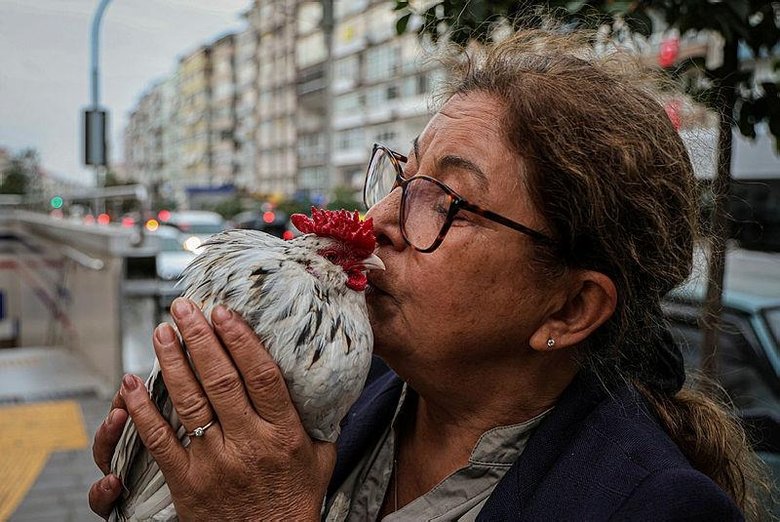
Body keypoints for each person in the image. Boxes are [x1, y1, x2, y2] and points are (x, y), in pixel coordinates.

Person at [89, 28, 772, 520]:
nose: (380, 216)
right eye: (402, 175)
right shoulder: (334, 391)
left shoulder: (650, 506)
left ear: (570, 309)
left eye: (445, 202)